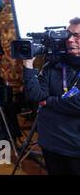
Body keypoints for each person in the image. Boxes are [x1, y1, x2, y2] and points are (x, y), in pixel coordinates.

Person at [23, 17, 80, 175]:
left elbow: (78, 105)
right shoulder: (53, 66)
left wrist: (48, 101)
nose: (70, 40)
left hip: (75, 147)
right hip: (51, 143)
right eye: (68, 35)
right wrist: (28, 65)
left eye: (77, 36)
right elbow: (35, 96)